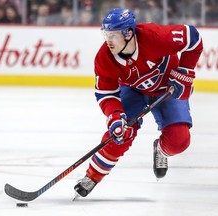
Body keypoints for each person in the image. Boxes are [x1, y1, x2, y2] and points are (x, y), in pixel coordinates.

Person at [74, 8, 203, 197]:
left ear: (128, 33)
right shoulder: (104, 58)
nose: (108, 41)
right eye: (105, 34)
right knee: (120, 132)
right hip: (133, 90)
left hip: (167, 89)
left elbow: (193, 38)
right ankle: (92, 176)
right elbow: (106, 93)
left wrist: (185, 72)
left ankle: (160, 150)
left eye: (113, 35)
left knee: (179, 141)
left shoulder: (154, 37)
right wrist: (115, 116)